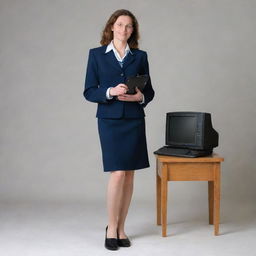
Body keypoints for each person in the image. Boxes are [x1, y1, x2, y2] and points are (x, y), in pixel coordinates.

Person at [83, 9, 154, 250]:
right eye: (120, 24)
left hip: (134, 119)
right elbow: (89, 91)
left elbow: (150, 91)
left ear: (133, 31)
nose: (124, 30)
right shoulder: (96, 55)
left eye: (129, 26)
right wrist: (110, 92)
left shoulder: (140, 56)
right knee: (118, 173)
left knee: (130, 175)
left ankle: (122, 227)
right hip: (110, 120)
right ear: (112, 27)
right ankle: (111, 227)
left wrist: (139, 97)